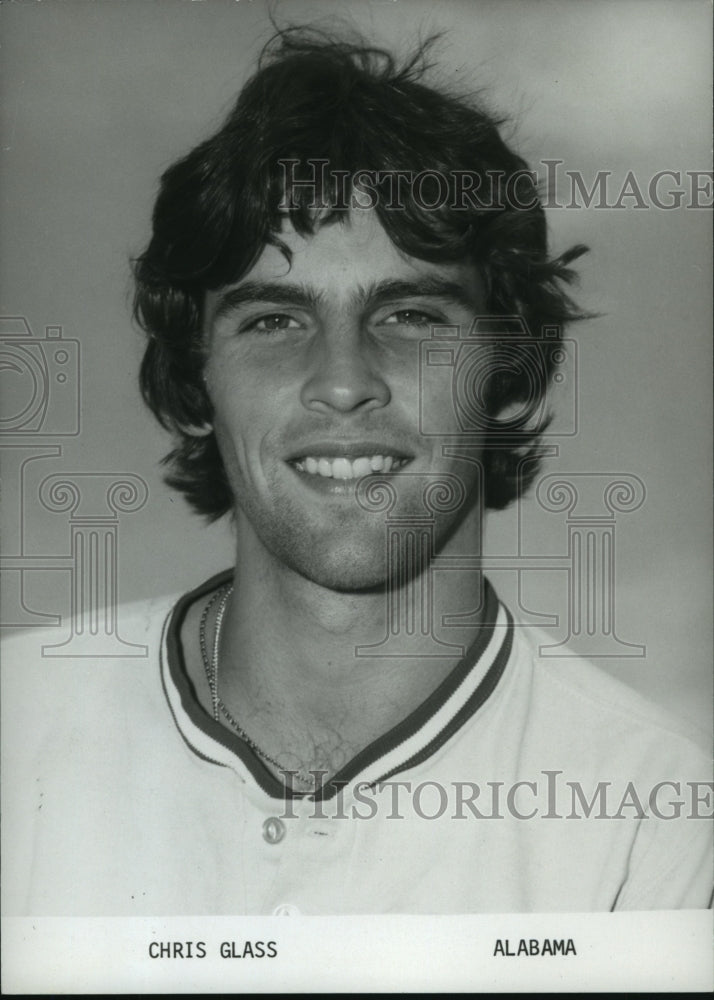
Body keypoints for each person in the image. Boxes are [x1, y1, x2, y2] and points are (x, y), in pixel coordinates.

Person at [3, 28, 711, 916]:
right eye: (273, 322)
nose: (343, 381)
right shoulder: (17, 728)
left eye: (411, 315)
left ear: (505, 364)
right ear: (197, 377)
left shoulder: (656, 824)